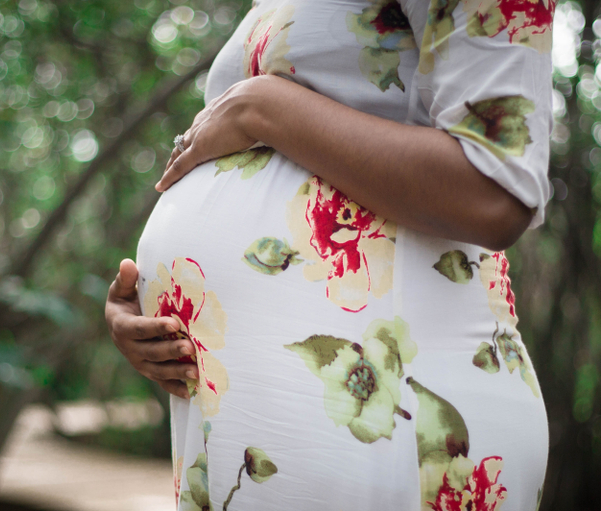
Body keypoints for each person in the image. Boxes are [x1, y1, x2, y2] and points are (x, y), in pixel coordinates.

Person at [106, 0, 553, 508]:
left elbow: (495, 192)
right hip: (238, 429)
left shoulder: (262, 100)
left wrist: (261, 106)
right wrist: (147, 310)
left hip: (394, 410)